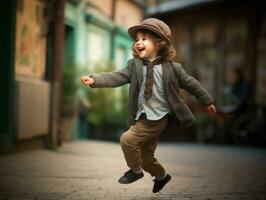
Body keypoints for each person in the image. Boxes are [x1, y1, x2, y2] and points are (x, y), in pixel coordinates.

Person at [80, 18, 216, 193]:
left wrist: (207, 101)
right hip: (142, 115)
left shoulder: (173, 69)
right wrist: (95, 79)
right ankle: (161, 176)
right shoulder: (134, 66)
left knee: (127, 140)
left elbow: (191, 84)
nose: (139, 42)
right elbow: (116, 77)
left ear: (159, 43)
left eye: (144, 39)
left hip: (158, 118)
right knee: (145, 157)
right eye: (137, 39)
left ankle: (135, 171)